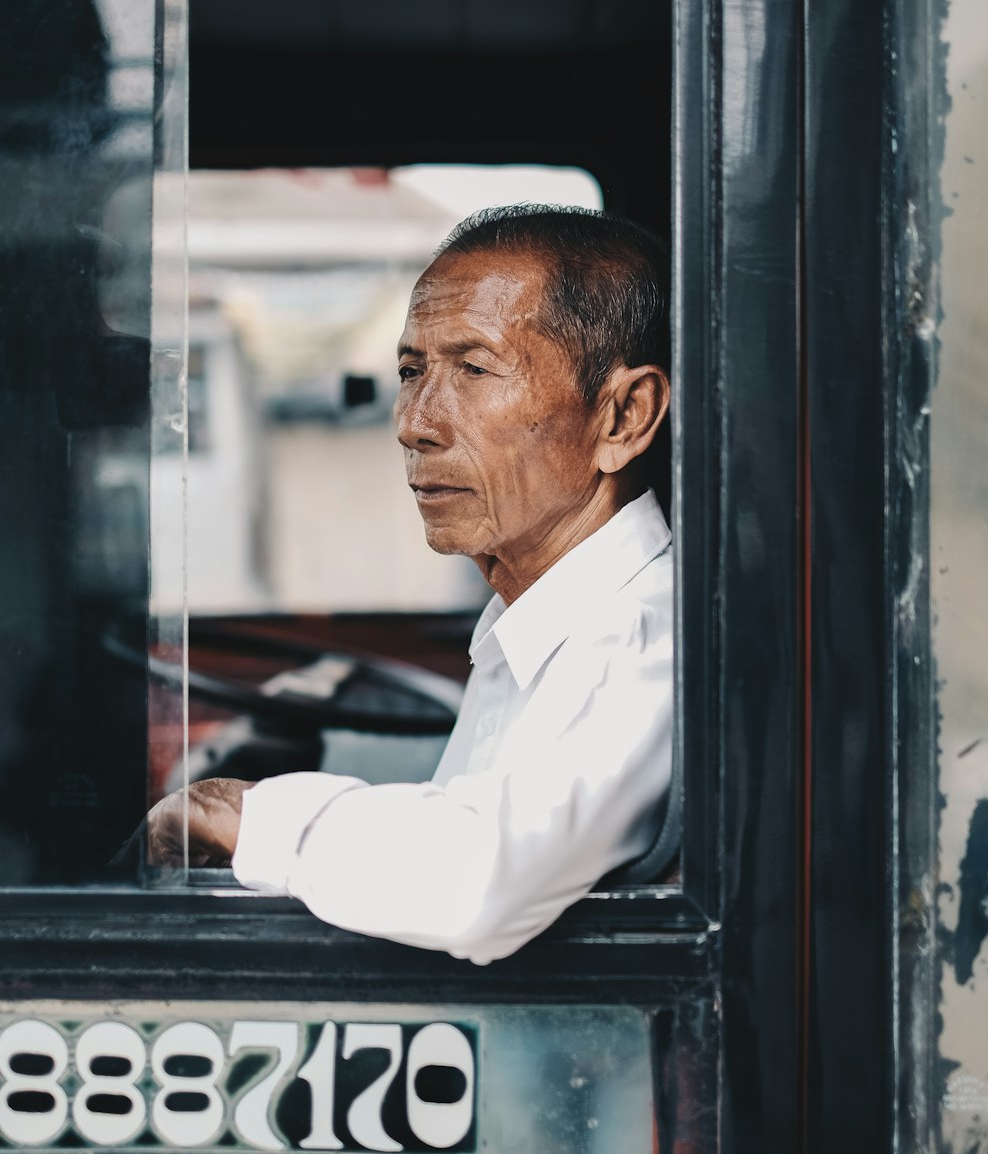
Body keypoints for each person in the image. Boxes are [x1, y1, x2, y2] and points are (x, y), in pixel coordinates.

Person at [146, 205, 674, 965]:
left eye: (474, 369)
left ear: (623, 416)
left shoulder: (645, 636)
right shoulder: (534, 627)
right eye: (411, 372)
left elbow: (478, 881)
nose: (415, 422)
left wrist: (245, 816)